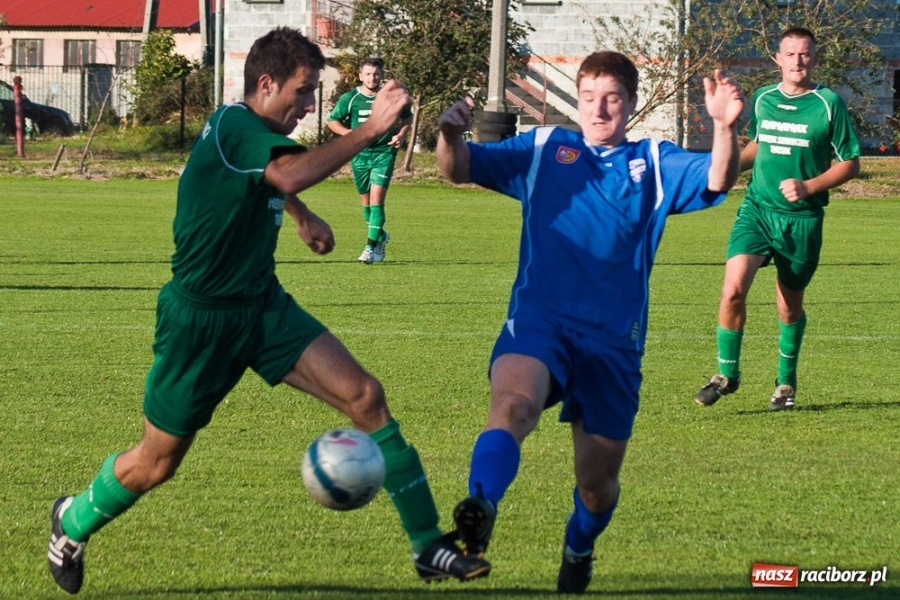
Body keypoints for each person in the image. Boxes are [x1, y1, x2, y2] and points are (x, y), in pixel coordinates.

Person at [46, 27, 490, 595]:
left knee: (365, 397)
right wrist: (372, 128)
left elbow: (272, 178)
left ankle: (428, 545)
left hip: (260, 306)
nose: (309, 107)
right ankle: (73, 519)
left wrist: (299, 214)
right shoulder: (236, 125)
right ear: (265, 83)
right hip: (199, 322)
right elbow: (284, 170)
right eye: (303, 93)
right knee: (157, 463)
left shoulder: (253, 137)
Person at [436, 51, 744, 594]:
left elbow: (718, 178)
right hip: (540, 321)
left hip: (613, 346)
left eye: (612, 99)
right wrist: (450, 136)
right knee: (512, 406)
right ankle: (480, 507)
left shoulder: (654, 161)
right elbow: (458, 169)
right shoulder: (542, 147)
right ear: (575, 100)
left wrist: (723, 126)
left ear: (630, 103)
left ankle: (580, 544)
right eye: (588, 98)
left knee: (597, 487)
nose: (598, 110)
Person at [694, 27, 861, 411]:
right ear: (777, 59)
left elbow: (851, 163)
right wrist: (724, 166)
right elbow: (758, 143)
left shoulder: (828, 103)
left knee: (788, 307)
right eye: (790, 54)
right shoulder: (763, 99)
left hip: (801, 220)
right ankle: (726, 374)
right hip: (757, 210)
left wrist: (809, 186)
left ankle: (785, 383)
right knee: (732, 289)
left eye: (805, 54)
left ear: (814, 58)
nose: (797, 61)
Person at [327, 58, 412, 264]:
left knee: (376, 202)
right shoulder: (351, 98)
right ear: (360, 76)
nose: (372, 78)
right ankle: (381, 236)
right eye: (368, 74)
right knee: (366, 209)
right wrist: (348, 134)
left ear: (381, 75)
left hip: (384, 153)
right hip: (360, 155)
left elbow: (407, 118)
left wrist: (400, 135)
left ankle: (370, 249)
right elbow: (332, 121)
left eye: (376, 74)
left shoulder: (390, 98)